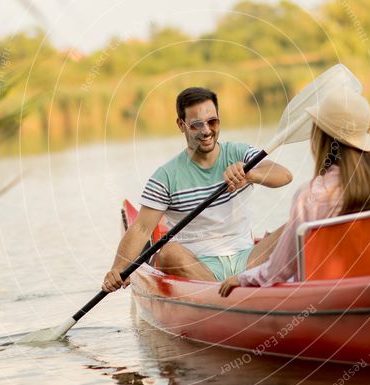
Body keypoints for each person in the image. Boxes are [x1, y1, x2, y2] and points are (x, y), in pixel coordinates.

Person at [218, 85, 370, 297]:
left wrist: (241, 278)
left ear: (322, 138)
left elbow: (278, 271)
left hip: (326, 297)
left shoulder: (310, 196)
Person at [102, 87, 293, 293]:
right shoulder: (165, 176)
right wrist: (117, 270)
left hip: (248, 259)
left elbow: (284, 176)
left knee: (298, 226)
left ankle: (240, 286)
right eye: (196, 125)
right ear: (181, 125)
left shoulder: (240, 152)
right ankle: (223, 294)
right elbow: (141, 229)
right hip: (197, 267)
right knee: (168, 253)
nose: (206, 131)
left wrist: (250, 176)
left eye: (212, 122)